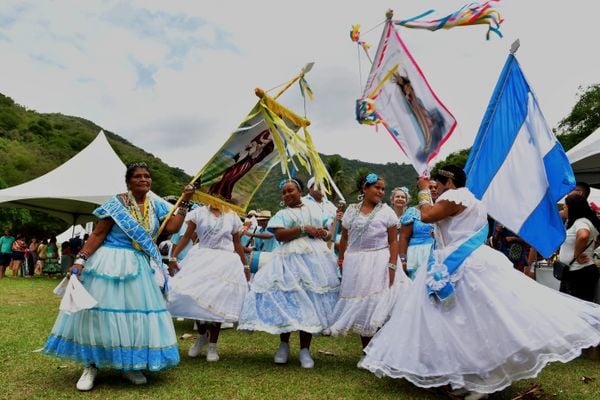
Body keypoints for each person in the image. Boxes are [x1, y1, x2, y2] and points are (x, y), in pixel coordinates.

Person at [360, 165, 600, 399]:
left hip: (461, 268)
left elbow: (427, 215)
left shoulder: (456, 196)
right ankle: (466, 374)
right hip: (459, 263)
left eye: (438, 185)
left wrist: (422, 189)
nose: (436, 191)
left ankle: (470, 377)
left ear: (450, 183)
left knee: (461, 321)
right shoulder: (474, 200)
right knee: (469, 323)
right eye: (432, 187)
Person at [42, 162, 195, 391]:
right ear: (128, 181)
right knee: (99, 316)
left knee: (135, 316)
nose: (143, 180)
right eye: (138, 177)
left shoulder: (156, 204)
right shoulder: (116, 204)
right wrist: (80, 260)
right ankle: (91, 365)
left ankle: (129, 365)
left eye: (147, 176)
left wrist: (184, 200)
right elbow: (98, 234)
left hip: (139, 266)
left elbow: (172, 226)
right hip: (109, 263)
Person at [238, 178, 340, 368]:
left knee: (310, 300)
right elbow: (279, 236)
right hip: (289, 258)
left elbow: (328, 232)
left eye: (290, 190)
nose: (287, 195)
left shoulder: (316, 209)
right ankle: (283, 345)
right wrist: (302, 229)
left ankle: (304, 350)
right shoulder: (282, 214)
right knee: (288, 299)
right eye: (284, 192)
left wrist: (321, 233)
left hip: (315, 259)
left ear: (300, 191)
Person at [329, 173, 399, 362]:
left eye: (383, 189)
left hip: (380, 261)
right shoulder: (351, 211)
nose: (380, 192)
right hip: (355, 263)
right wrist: (342, 259)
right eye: (377, 187)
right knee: (362, 307)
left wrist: (392, 264)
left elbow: (393, 241)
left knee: (379, 305)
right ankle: (367, 352)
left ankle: (381, 352)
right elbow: (344, 237)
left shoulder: (387, 212)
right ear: (365, 189)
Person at [167, 204, 250, 362]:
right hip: (201, 258)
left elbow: (237, 243)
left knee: (218, 302)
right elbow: (186, 237)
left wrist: (245, 265)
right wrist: (173, 257)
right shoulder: (197, 213)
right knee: (194, 296)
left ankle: (213, 345)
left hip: (225, 261)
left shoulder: (232, 215)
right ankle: (201, 335)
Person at [558, 194, 600, 301]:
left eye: (565, 207)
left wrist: (577, 254)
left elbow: (583, 236)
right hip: (575, 273)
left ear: (572, 208)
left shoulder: (581, 222)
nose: (564, 209)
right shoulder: (584, 220)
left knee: (578, 310)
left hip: (579, 273)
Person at [398, 198, 435, 280]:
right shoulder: (412, 212)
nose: (433, 190)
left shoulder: (445, 209)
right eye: (429, 188)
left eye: (435, 187)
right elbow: (404, 237)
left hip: (437, 253)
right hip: (417, 255)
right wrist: (403, 259)